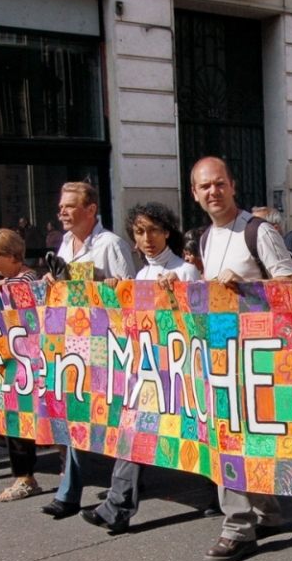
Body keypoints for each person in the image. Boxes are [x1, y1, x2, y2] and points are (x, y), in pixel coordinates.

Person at [192, 156, 292, 561]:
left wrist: (247, 287)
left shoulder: (259, 232)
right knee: (233, 437)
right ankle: (265, 513)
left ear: (233, 186)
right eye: (205, 187)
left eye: (219, 184)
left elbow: (290, 289)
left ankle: (238, 529)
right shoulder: (206, 238)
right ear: (196, 194)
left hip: (258, 357)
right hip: (222, 357)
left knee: (235, 438)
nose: (213, 192)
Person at [80, 203, 203, 535]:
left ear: (167, 232)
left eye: (153, 230)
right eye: (139, 232)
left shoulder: (185, 271)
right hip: (151, 374)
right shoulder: (141, 275)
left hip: (183, 373)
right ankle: (116, 508)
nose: (146, 238)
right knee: (133, 434)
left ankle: (222, 500)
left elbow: (196, 323)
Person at [41, 183, 136, 519]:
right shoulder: (65, 244)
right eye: (60, 207)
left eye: (69, 206)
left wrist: (107, 289)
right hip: (75, 342)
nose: (62, 212)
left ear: (91, 209)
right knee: (75, 413)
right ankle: (69, 494)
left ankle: (123, 490)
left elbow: (132, 295)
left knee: (118, 419)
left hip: (109, 345)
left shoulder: (110, 245)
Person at [0, 228, 44, 502]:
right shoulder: (9, 281)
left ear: (11, 255)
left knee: (21, 421)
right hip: (14, 361)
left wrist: (6, 293)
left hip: (28, 362)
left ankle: (26, 478)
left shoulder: (28, 279)